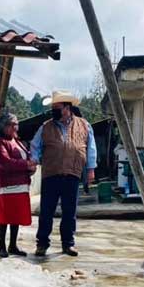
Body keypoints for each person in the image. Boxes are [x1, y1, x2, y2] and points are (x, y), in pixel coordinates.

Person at [30, 90, 97, 257]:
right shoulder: (45, 127)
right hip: (51, 174)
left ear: (67, 108)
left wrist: (90, 169)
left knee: (69, 211)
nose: (54, 111)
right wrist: (34, 159)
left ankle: (68, 244)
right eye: (53, 107)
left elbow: (91, 149)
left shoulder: (84, 125)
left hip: (72, 173)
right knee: (46, 211)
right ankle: (42, 244)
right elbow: (35, 145)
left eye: (57, 107)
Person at [0, 112, 37, 258]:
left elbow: (27, 157)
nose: (15, 127)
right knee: (6, 216)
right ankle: (1, 246)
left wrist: (32, 166)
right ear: (3, 126)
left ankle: (12, 245)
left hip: (21, 184)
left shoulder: (17, 141)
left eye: (16, 124)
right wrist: (26, 165)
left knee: (15, 216)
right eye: (12, 124)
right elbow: (5, 163)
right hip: (8, 186)